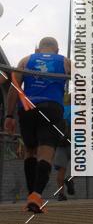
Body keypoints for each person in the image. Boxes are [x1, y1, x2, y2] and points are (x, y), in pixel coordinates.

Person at [3, 36, 70, 213]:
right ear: (57, 50)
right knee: (45, 154)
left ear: (38, 50)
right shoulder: (65, 62)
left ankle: (31, 194)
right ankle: (36, 196)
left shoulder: (26, 60)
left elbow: (14, 89)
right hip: (51, 108)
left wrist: (9, 116)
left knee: (30, 152)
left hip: (27, 108)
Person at [54, 95, 75, 201]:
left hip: (60, 143)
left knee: (61, 170)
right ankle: (70, 179)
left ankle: (61, 194)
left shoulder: (61, 110)